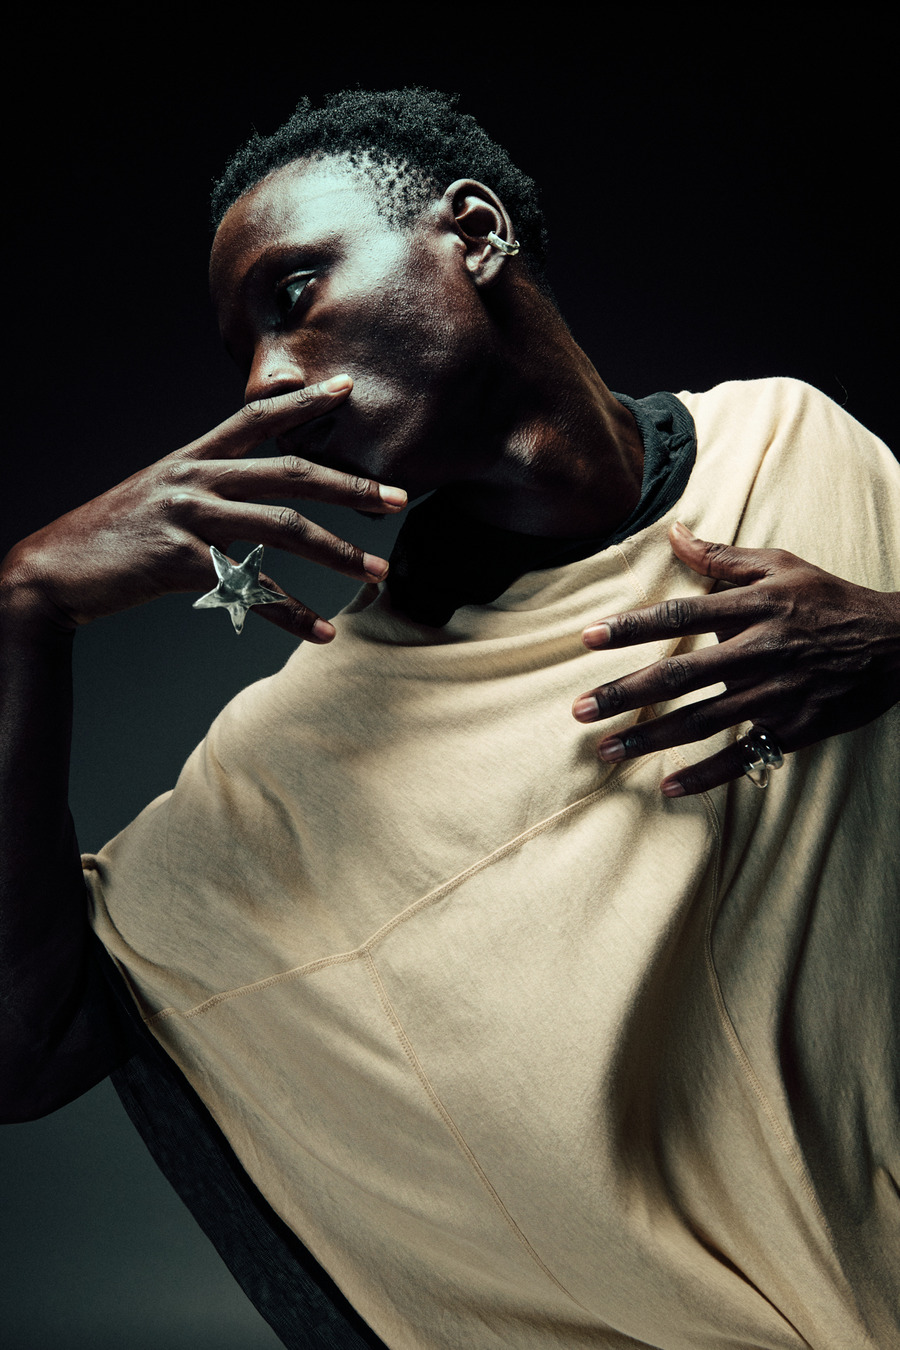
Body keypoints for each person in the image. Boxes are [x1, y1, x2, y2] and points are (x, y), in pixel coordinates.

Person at [1, 88, 898, 1350]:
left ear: (472, 233)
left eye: (293, 293)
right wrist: (23, 608)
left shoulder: (793, 441)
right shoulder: (311, 754)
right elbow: (24, 1048)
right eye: (241, 350)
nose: (263, 379)